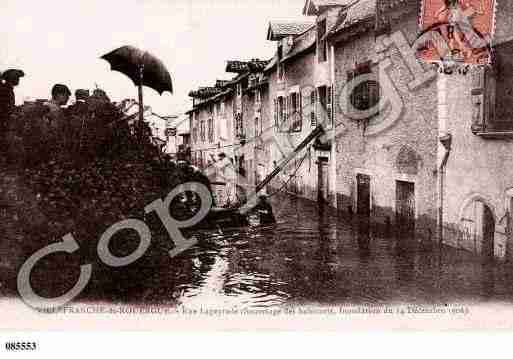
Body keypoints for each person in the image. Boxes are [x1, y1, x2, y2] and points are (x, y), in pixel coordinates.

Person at [0, 69, 24, 162]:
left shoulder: (7, 89)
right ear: (12, 78)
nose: (18, 80)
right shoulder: (5, 90)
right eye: (17, 78)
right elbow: (5, 107)